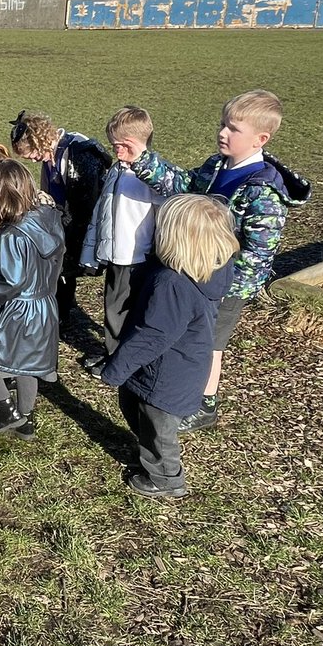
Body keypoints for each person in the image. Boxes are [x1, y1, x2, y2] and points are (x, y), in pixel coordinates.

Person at [116, 90, 311, 433]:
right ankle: (182, 392)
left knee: (210, 345)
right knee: (187, 338)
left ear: (260, 139)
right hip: (194, 273)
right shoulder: (216, 166)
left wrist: (227, 289)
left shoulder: (263, 191)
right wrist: (142, 159)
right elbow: (183, 186)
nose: (222, 132)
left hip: (223, 287)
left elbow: (259, 252)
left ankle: (204, 404)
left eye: (233, 129)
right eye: (223, 124)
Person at [99, 195, 239, 498]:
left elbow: (153, 335)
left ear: (176, 239)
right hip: (175, 366)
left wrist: (115, 369)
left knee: (158, 429)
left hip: (166, 375)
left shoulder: (173, 284)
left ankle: (166, 479)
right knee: (136, 410)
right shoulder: (207, 270)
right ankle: (148, 451)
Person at [0, 161, 65, 441]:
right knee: (27, 363)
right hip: (44, 304)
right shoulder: (49, 217)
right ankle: (26, 416)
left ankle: (5, 408)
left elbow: (9, 283)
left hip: (17, 310)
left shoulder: (11, 235)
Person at [79, 107, 167, 372]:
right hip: (117, 253)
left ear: (134, 143)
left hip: (134, 255)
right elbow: (104, 210)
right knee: (114, 306)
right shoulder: (118, 170)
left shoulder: (150, 177)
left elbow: (163, 213)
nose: (115, 151)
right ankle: (114, 352)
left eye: (119, 145)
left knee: (122, 309)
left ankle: (119, 359)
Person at [11, 110, 112, 323]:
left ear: (39, 142)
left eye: (31, 154)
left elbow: (84, 205)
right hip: (62, 221)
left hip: (78, 222)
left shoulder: (78, 154)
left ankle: (61, 314)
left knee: (63, 269)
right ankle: (62, 309)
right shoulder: (51, 156)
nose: (33, 160)